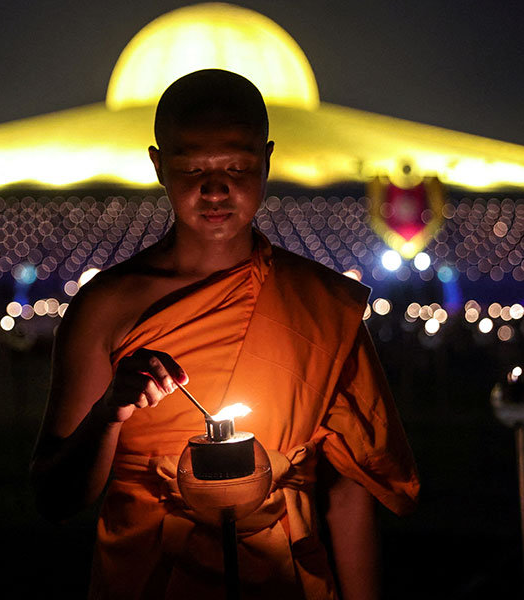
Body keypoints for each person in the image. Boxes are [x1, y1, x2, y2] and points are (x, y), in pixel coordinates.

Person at [31, 69, 419, 600]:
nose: (216, 188)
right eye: (192, 167)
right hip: (151, 578)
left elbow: (349, 490)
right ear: (158, 165)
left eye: (237, 166)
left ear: (267, 161)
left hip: (286, 578)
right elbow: (55, 495)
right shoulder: (107, 308)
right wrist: (110, 412)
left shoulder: (318, 302)